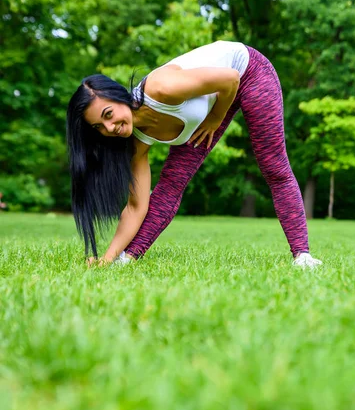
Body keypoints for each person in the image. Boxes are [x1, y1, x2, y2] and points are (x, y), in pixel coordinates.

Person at [66, 41, 322, 269]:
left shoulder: (162, 89)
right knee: (171, 184)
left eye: (108, 114)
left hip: (249, 72)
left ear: (118, 96)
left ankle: (302, 255)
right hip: (212, 101)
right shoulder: (136, 143)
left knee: (273, 166)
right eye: (99, 127)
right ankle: (128, 259)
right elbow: (135, 207)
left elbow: (230, 78)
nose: (110, 128)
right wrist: (108, 259)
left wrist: (215, 118)